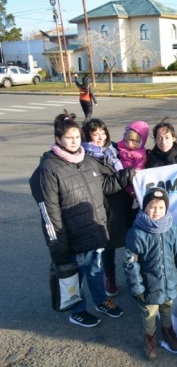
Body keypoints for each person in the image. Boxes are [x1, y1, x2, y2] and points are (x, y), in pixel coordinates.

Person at [29, 115, 134, 327]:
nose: (75, 141)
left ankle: (101, 301)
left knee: (95, 269)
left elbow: (103, 186)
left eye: (77, 136)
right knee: (73, 274)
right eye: (69, 137)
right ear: (58, 139)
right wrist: (58, 245)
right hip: (71, 234)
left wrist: (129, 175)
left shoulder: (86, 160)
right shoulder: (49, 169)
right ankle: (77, 310)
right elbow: (49, 212)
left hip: (94, 229)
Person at [124, 187, 177, 360]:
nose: (156, 211)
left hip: (169, 282)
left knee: (167, 307)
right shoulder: (137, 233)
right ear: (144, 207)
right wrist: (137, 288)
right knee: (150, 313)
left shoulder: (171, 229)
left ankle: (168, 331)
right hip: (149, 286)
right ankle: (150, 338)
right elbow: (131, 264)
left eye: (161, 207)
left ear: (166, 209)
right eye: (152, 206)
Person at [82, 119, 133, 297]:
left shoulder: (112, 151)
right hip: (105, 207)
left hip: (125, 203)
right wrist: (130, 174)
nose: (100, 137)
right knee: (108, 245)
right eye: (95, 134)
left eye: (103, 132)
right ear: (87, 136)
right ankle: (109, 277)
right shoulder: (87, 158)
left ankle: (133, 276)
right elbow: (104, 185)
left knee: (131, 242)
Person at [117, 120, 149, 206]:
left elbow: (140, 164)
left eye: (137, 141)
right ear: (125, 139)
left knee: (133, 190)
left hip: (132, 176)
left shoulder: (140, 153)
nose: (134, 143)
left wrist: (136, 171)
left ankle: (135, 199)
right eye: (131, 140)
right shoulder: (120, 148)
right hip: (121, 175)